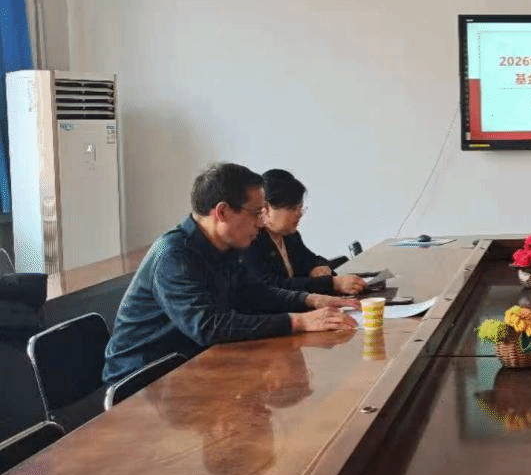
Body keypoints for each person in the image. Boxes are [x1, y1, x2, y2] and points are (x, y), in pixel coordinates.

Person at [104, 162, 357, 383]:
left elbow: (254, 294)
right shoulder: (174, 256)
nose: (261, 222)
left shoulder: (226, 247)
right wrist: (298, 322)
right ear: (222, 212)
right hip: (144, 380)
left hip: (195, 365)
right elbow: (208, 326)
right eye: (256, 213)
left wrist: (311, 300)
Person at [243, 169, 366, 295]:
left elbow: (311, 259)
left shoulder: (290, 235)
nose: (299, 214)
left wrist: (317, 266)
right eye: (292, 208)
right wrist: (332, 284)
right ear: (266, 208)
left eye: (300, 207)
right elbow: (272, 285)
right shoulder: (250, 240)